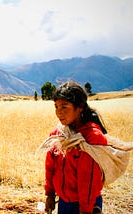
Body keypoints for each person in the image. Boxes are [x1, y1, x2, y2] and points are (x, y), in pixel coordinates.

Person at [44, 81, 107, 214]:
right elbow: (50, 166)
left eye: (64, 107)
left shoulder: (91, 138)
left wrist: (86, 210)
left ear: (80, 107)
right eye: (56, 107)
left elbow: (88, 180)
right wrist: (50, 194)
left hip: (86, 204)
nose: (59, 112)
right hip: (64, 202)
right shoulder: (58, 135)